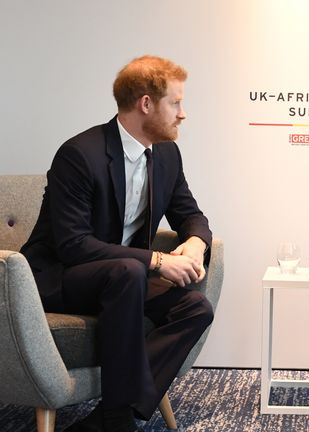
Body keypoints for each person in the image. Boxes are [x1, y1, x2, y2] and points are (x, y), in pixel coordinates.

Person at [21, 55, 214, 432]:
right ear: (146, 104)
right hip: (59, 278)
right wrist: (157, 261)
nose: (183, 113)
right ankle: (117, 420)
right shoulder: (79, 155)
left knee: (196, 308)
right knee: (128, 271)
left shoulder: (167, 154)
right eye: (175, 103)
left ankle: (108, 417)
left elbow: (190, 213)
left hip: (122, 281)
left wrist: (194, 243)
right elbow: (74, 245)